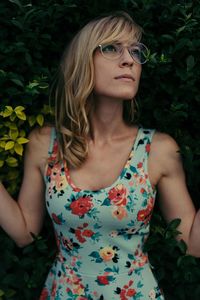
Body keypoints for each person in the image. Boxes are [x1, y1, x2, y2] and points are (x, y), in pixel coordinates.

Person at [0, 10, 199, 300]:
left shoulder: (158, 150)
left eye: (135, 51)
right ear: (83, 60)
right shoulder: (46, 143)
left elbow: (192, 244)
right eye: (111, 48)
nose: (129, 59)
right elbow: (25, 234)